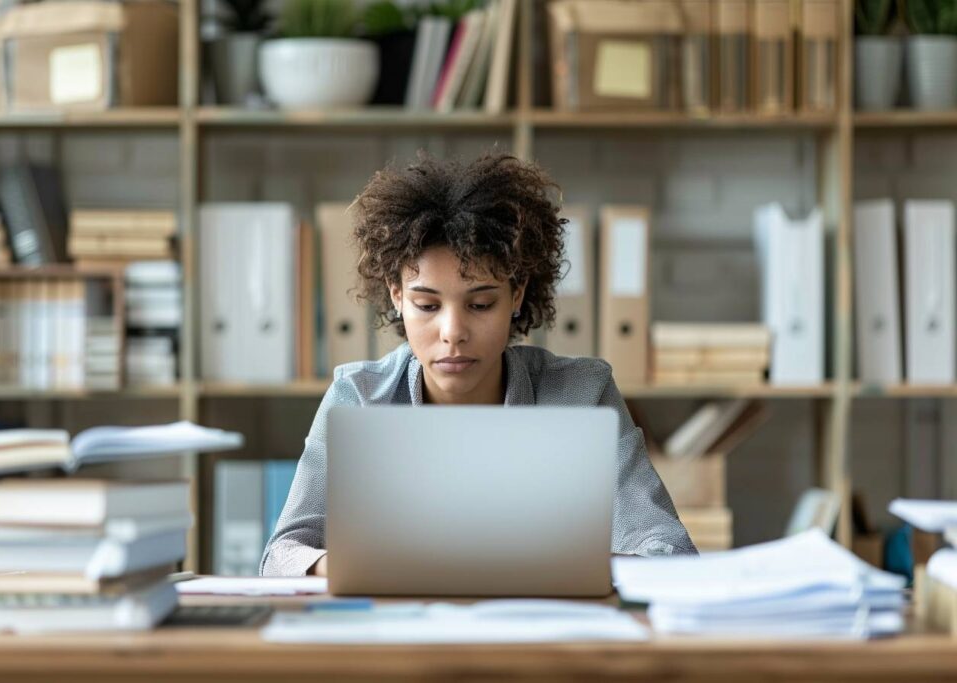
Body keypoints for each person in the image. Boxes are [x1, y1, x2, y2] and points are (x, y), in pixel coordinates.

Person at [260, 150, 696, 578]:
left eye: (482, 303)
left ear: (518, 294)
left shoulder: (583, 394)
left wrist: (569, 567)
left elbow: (671, 554)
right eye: (427, 305)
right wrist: (345, 565)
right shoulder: (356, 397)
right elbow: (281, 555)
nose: (453, 331)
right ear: (396, 295)